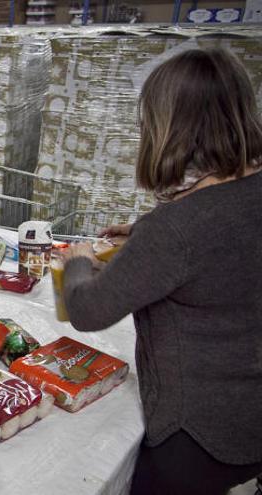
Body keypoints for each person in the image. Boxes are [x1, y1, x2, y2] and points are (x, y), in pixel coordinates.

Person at [58, 48, 262, 495]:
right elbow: (221, 243)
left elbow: (87, 311)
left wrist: (75, 261)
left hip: (194, 437)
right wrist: (143, 231)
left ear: (167, 128)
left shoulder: (175, 231)